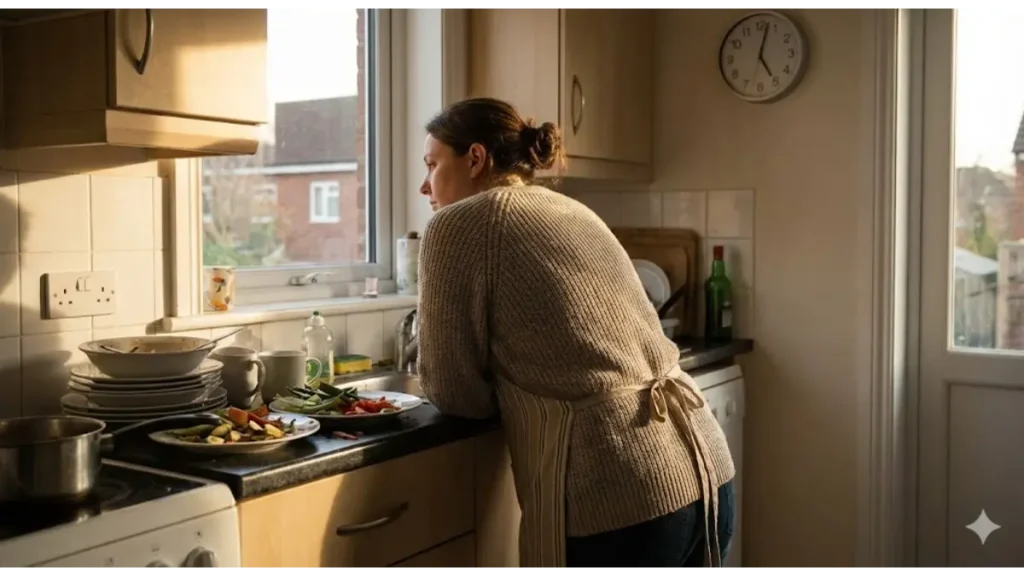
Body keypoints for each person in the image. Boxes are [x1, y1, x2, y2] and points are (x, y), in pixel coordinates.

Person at [415, 97, 736, 569]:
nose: (425, 186)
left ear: (476, 158)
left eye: (432, 164)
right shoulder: (571, 210)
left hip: (620, 498)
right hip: (705, 471)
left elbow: (455, 393)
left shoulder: (456, 225)